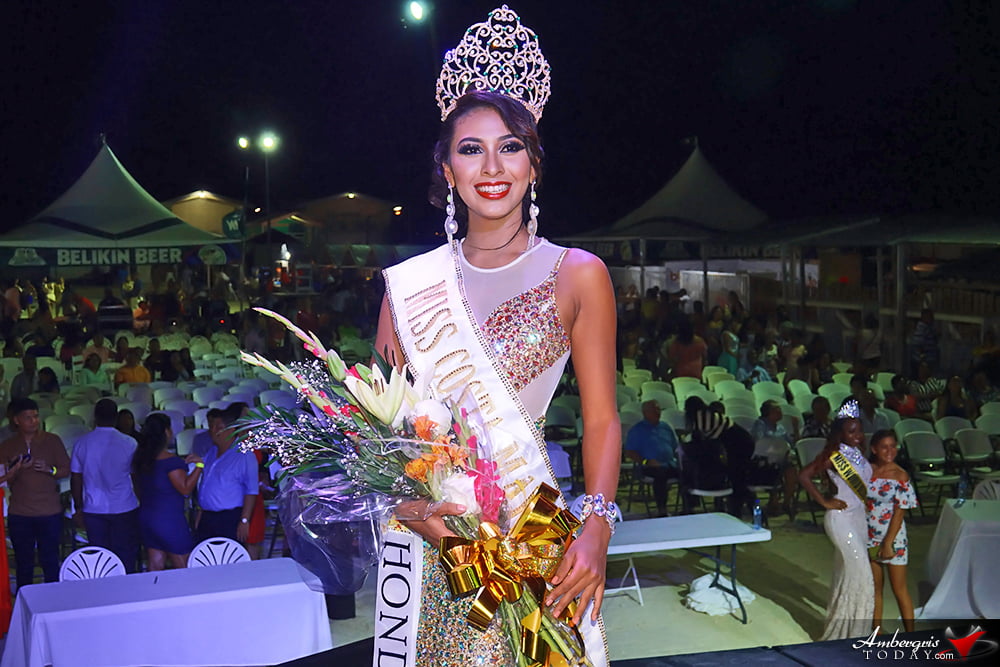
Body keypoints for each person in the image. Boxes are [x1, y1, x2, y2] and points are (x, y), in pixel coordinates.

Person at [373, 11, 618, 664]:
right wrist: (417, 510)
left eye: (510, 146)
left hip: (538, 533)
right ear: (446, 168)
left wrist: (597, 527)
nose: (491, 165)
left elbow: (601, 418)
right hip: (441, 546)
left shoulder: (578, 274)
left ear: (533, 164)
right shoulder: (407, 287)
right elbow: (380, 434)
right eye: (470, 149)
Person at [798, 400, 874, 640]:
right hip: (840, 519)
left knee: (846, 574)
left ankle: (849, 629)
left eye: (859, 430)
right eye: (851, 431)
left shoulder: (859, 454)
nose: (857, 436)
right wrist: (824, 501)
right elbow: (804, 475)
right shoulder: (835, 456)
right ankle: (850, 633)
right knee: (862, 574)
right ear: (841, 434)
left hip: (858, 518)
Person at [0, 398, 70, 588]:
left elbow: (66, 469)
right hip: (20, 512)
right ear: (17, 420)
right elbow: (2, 478)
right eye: (28, 417)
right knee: (24, 564)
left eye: (36, 416)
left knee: (50, 560)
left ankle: (53, 600)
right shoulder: (8, 445)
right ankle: (25, 601)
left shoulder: (52, 440)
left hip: (49, 511)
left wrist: (50, 470)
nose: (34, 421)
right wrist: (15, 469)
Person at [70, 399, 140, 572]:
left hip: (94, 509)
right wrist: (142, 502)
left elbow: (76, 478)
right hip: (124, 506)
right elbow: (136, 477)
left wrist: (78, 508)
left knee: (100, 559)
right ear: (116, 417)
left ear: (95, 417)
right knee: (125, 557)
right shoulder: (129, 442)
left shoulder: (82, 443)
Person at [134, 413, 201, 570]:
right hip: (169, 520)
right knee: (184, 567)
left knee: (155, 564)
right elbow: (185, 489)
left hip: (147, 518)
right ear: (166, 431)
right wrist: (199, 466)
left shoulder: (142, 459)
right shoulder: (171, 461)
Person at [866, 430, 917, 633]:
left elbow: (899, 512)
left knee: (899, 589)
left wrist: (888, 542)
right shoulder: (867, 471)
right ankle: (876, 632)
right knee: (875, 588)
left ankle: (911, 636)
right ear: (874, 449)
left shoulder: (900, 476)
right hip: (870, 536)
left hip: (894, 539)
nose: (890, 451)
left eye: (893, 446)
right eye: (884, 447)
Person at [195, 404, 257, 543]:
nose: (213, 431)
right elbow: (206, 485)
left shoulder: (244, 454)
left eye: (219, 427)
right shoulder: (211, 453)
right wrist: (200, 513)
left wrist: (244, 520)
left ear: (231, 429)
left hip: (229, 518)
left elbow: (251, 490)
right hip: (207, 517)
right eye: (212, 426)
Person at [624, 400, 679, 516]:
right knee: (661, 474)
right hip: (648, 466)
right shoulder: (637, 430)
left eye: (658, 409)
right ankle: (662, 509)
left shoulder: (666, 427)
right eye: (654, 410)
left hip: (669, 463)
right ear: (645, 413)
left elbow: (675, 446)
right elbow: (629, 452)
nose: (658, 412)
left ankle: (690, 507)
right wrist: (646, 461)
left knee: (689, 469)